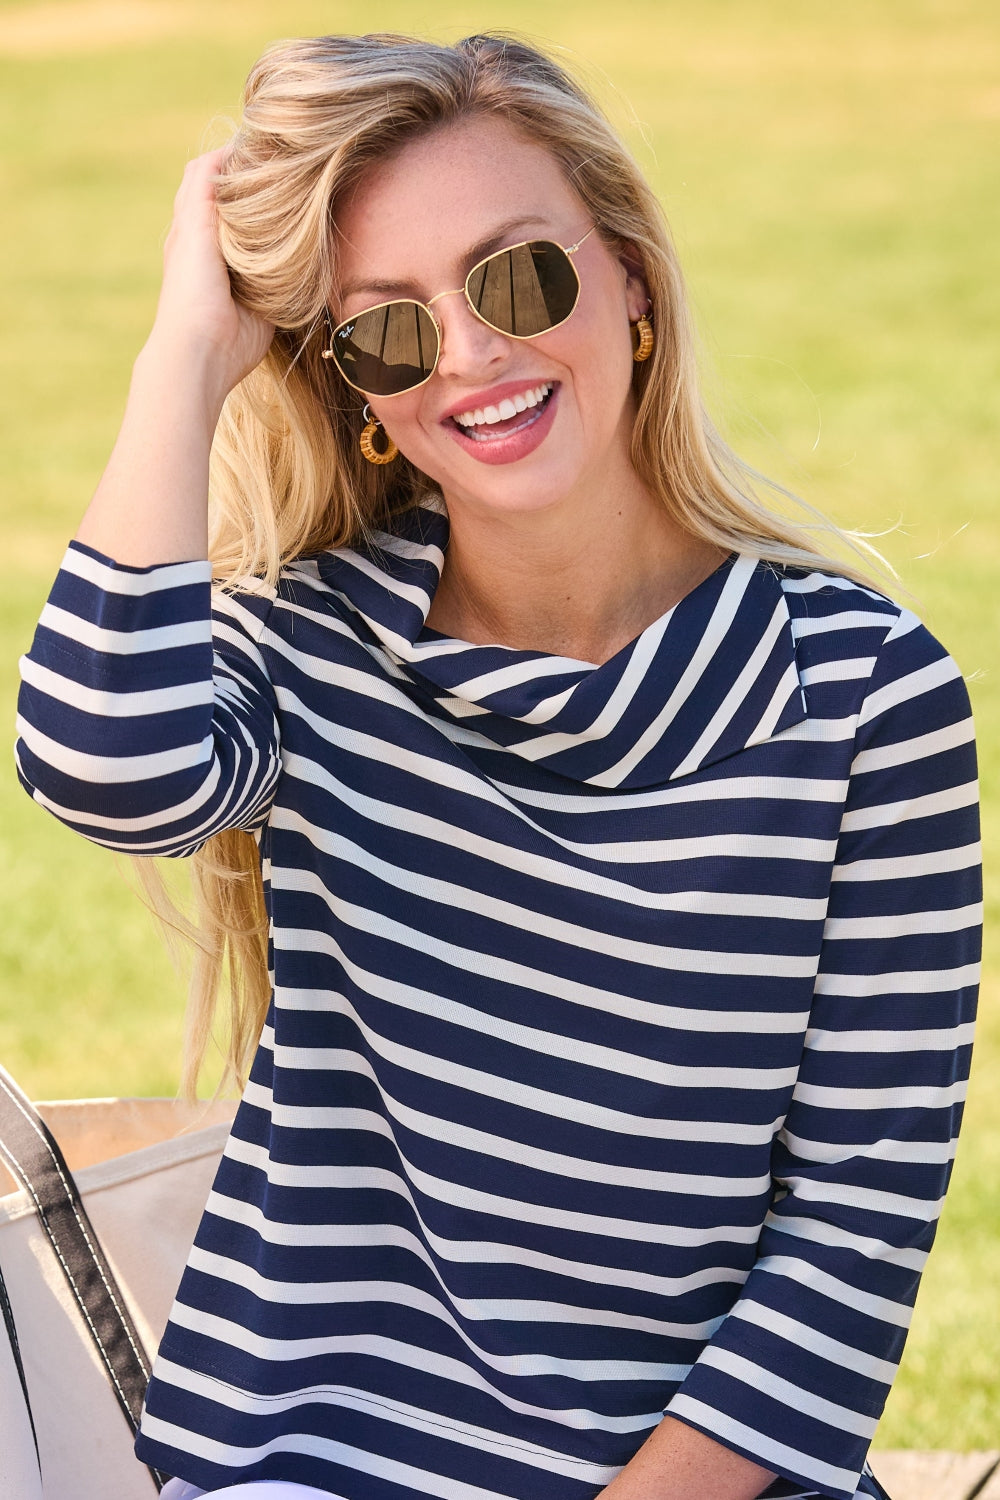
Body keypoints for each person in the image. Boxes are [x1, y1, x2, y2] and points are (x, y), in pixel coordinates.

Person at [13, 31, 980, 1500]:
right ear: (354, 392)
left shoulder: (865, 696)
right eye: (385, 333)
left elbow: (851, 1242)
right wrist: (185, 356)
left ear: (633, 281)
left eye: (517, 277)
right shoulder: (319, 648)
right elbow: (101, 766)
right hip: (305, 1467)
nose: (468, 353)